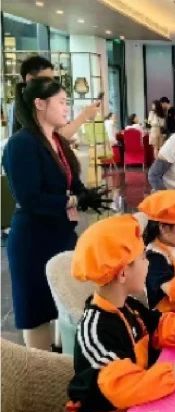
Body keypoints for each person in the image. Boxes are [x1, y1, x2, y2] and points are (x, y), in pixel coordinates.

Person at [65, 215, 175, 412]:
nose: (148, 263)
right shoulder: (95, 332)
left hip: (138, 408)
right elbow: (125, 388)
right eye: (142, 258)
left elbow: (158, 322)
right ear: (123, 274)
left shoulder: (128, 305)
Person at [4, 78, 94, 350]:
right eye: (62, 102)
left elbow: (70, 180)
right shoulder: (22, 144)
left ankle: (59, 361)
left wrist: (84, 194)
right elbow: (30, 198)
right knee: (37, 311)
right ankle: (40, 369)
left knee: (65, 303)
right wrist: (72, 200)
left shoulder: (56, 141)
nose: (67, 108)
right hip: (33, 238)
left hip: (61, 233)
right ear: (40, 104)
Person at [8, 55, 100, 137]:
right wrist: (84, 116)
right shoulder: (30, 105)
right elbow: (57, 136)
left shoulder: (25, 102)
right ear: (30, 79)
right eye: (46, 80)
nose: (51, 84)